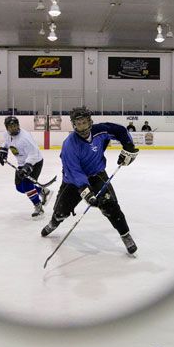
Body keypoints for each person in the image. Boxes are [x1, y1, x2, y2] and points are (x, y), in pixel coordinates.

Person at [41, 107, 139, 254]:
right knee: (61, 211)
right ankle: (54, 222)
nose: (82, 127)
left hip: (97, 174)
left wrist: (129, 146)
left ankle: (125, 235)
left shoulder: (100, 130)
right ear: (73, 125)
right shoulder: (69, 145)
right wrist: (85, 191)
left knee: (110, 206)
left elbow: (120, 131)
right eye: (78, 124)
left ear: (90, 122)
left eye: (85, 123)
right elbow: (74, 171)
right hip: (73, 181)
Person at [0, 116, 53, 217]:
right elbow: (6, 142)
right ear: (7, 128)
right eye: (10, 126)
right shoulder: (6, 134)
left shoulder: (25, 138)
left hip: (35, 162)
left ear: (18, 125)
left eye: (15, 125)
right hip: (22, 163)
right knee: (19, 188)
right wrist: (2, 150)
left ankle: (38, 206)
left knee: (27, 185)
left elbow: (34, 154)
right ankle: (42, 191)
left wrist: (27, 167)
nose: (13, 128)